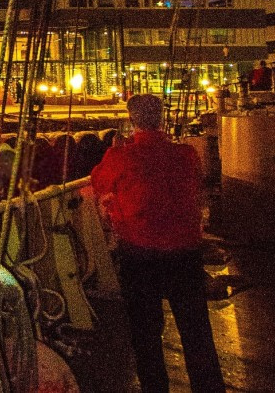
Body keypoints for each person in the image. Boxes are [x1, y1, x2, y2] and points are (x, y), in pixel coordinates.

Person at [90, 94, 225, 393]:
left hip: (140, 253)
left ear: (132, 120)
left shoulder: (121, 156)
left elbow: (99, 182)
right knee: (196, 332)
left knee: (146, 334)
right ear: (162, 118)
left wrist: (115, 151)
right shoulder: (186, 154)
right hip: (185, 253)